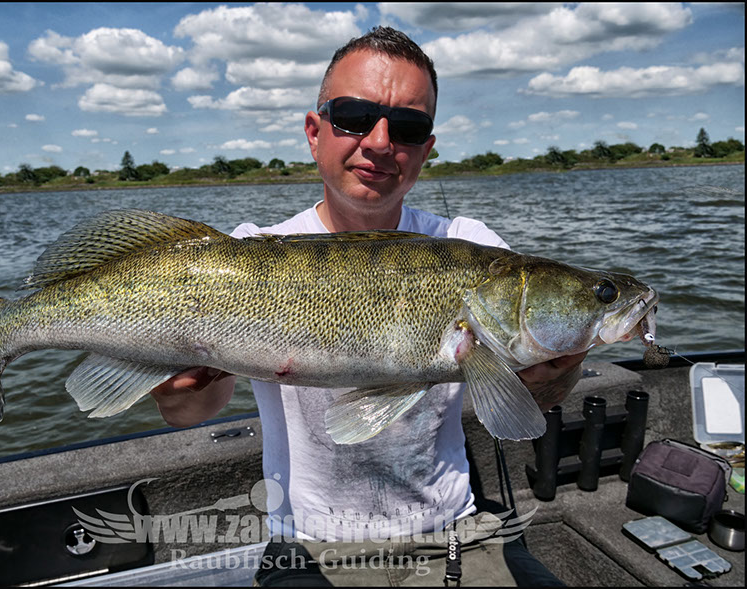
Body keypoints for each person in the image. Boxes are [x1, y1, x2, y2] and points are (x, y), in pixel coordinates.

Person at [151, 26, 585, 586]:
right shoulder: (243, 252)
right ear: (314, 133)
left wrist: (561, 366)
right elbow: (188, 414)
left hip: (453, 531)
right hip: (310, 544)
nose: (380, 142)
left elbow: (532, 402)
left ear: (427, 147)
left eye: (408, 126)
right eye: (353, 116)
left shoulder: (474, 246)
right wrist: (173, 388)